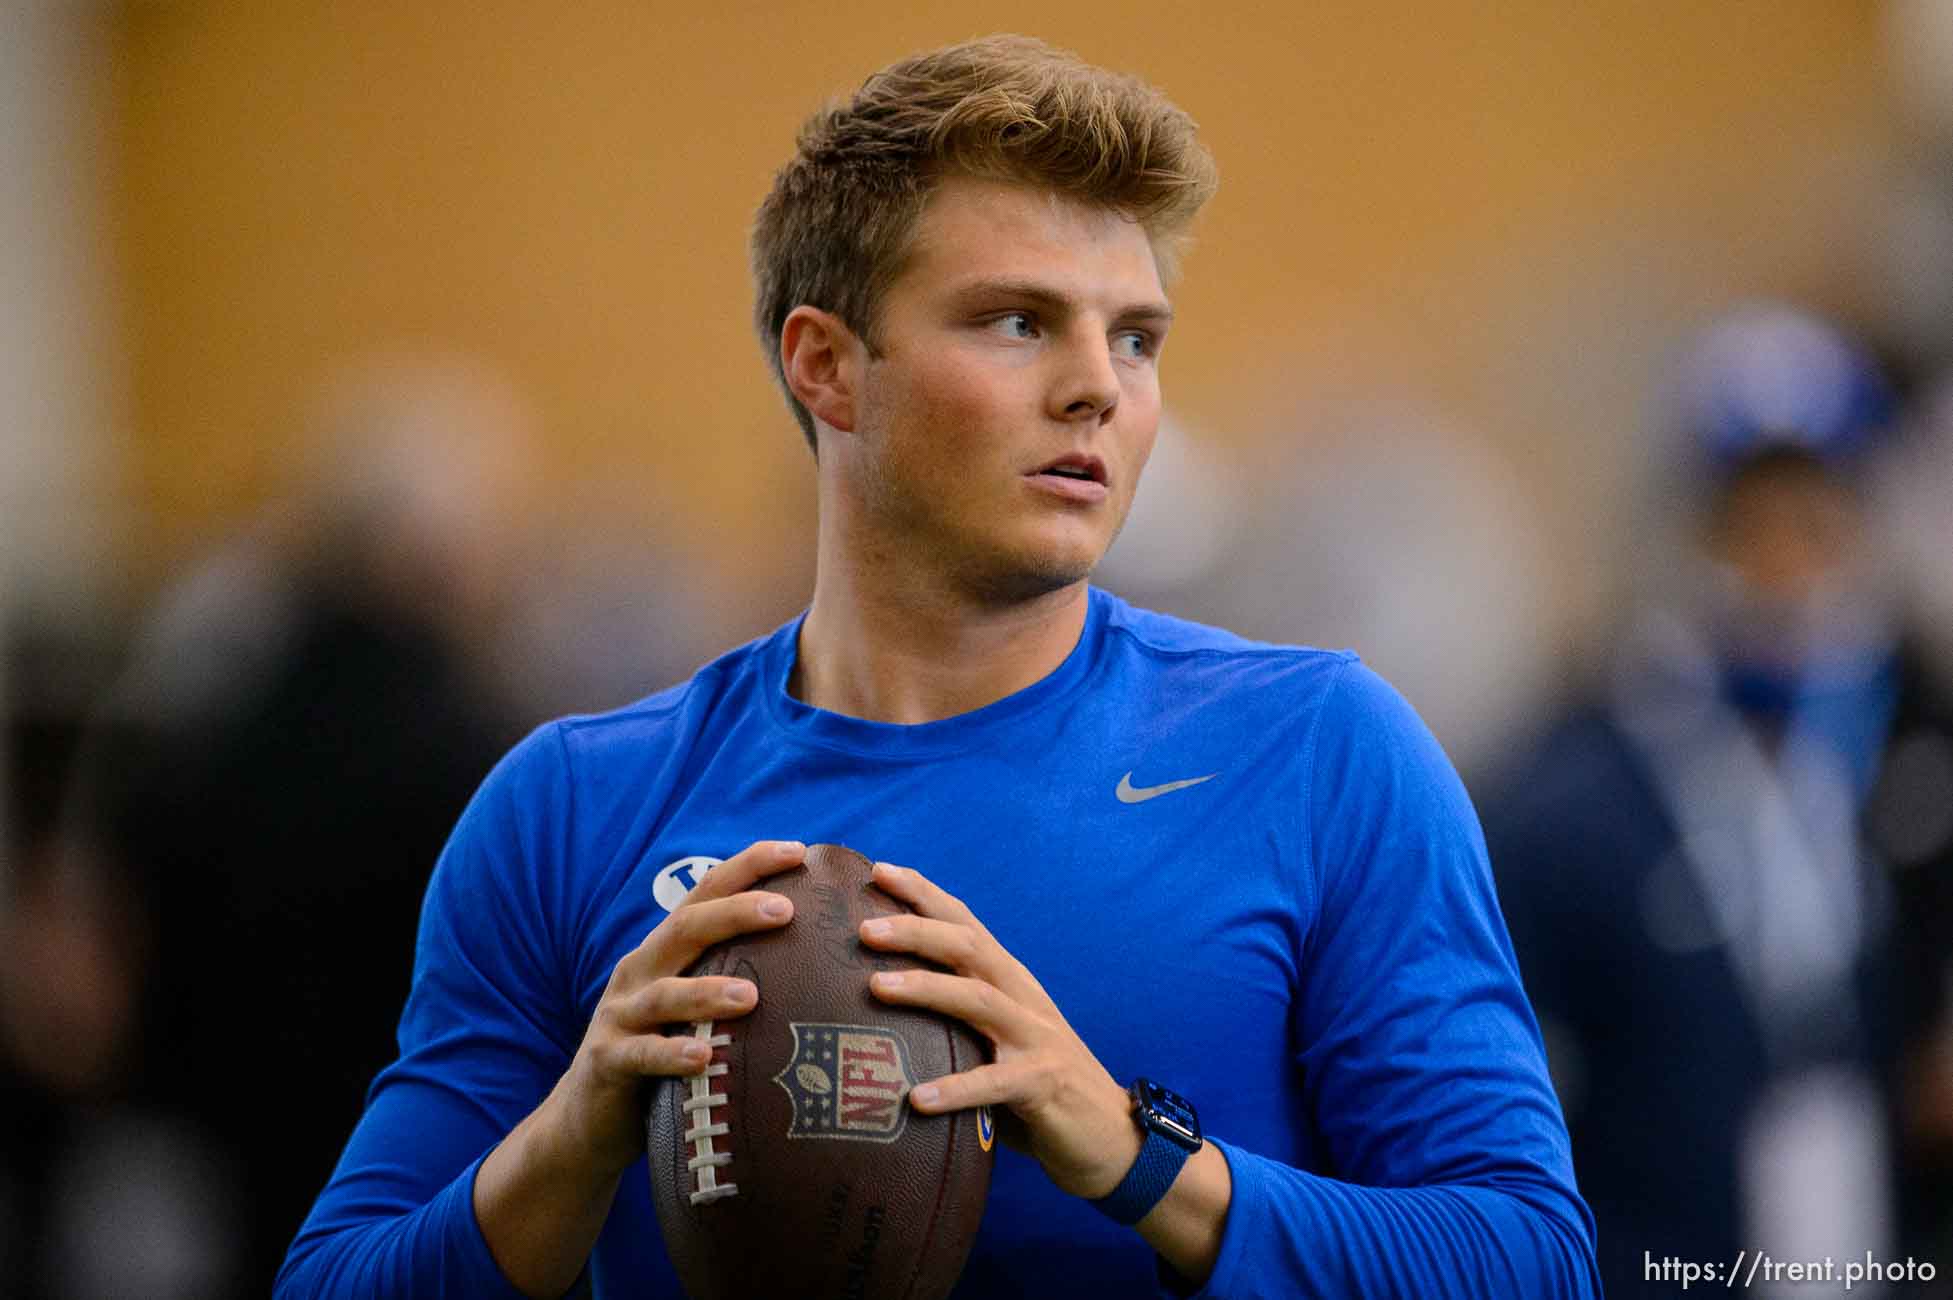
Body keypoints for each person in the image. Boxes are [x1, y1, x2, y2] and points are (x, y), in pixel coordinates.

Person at [278, 36, 1598, 1298]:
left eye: (1135, 337)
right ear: (828, 368)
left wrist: (1138, 1157)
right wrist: (570, 1139)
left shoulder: (1322, 753)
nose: (1097, 387)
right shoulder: (570, 807)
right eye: (1018, 322)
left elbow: (1529, 1260)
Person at [1483, 303, 1953, 1297]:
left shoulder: (1911, 745)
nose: (1785, 567)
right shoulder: (1569, 795)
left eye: (1819, 523)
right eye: (1750, 526)